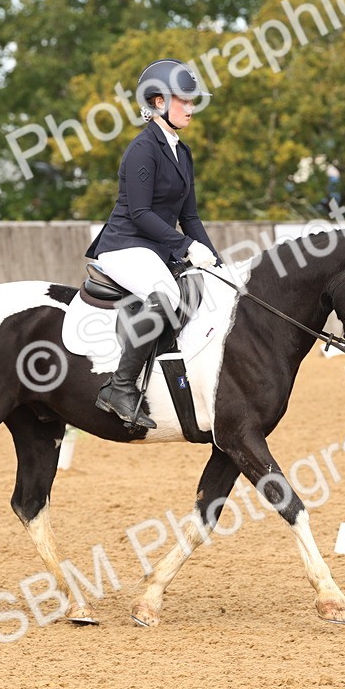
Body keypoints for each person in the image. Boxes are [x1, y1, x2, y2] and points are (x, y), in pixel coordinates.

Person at [85, 58, 221, 429]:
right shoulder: (143, 149)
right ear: (158, 102)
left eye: (193, 101)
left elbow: (190, 216)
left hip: (154, 248)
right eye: (185, 101)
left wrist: (217, 262)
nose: (191, 108)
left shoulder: (182, 151)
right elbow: (142, 213)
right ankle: (120, 387)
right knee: (168, 296)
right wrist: (185, 247)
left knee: (208, 289)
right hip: (125, 244)